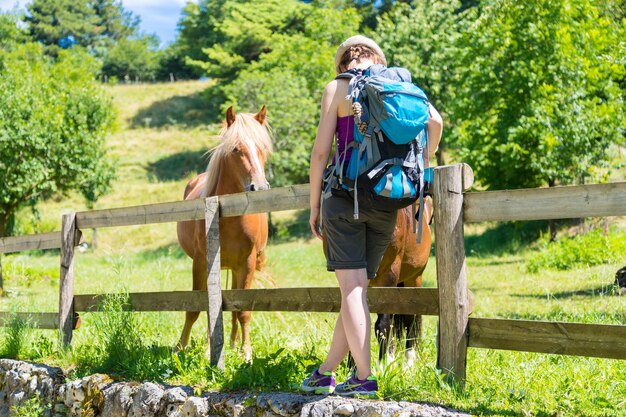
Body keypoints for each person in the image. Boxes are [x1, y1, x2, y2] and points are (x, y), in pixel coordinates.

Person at [301, 35, 443, 397]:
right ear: (376, 60)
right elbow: (436, 123)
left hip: (346, 198)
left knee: (352, 291)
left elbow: (320, 153)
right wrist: (426, 157)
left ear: (343, 62)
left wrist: (315, 205)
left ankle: (363, 378)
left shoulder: (338, 88)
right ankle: (326, 371)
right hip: (388, 201)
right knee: (358, 292)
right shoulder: (397, 85)